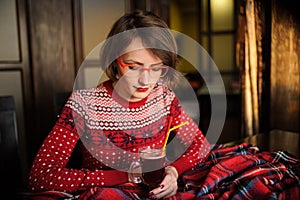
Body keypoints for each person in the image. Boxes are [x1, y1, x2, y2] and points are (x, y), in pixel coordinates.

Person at [28, 10, 210, 199]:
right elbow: (41, 177)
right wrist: (123, 176)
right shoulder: (83, 104)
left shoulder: (164, 97)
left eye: (156, 69)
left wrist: (173, 172)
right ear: (115, 59)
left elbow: (200, 146)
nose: (145, 80)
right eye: (133, 67)